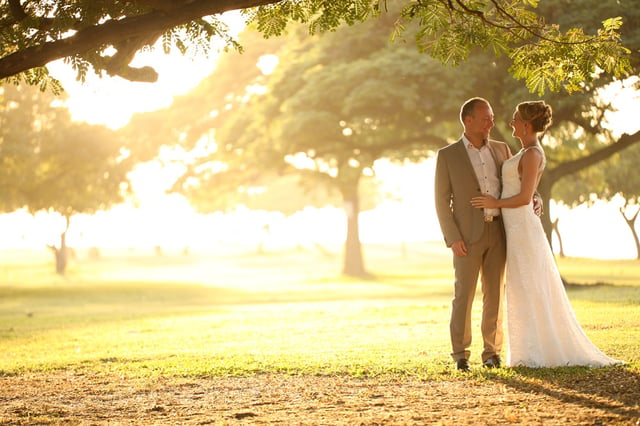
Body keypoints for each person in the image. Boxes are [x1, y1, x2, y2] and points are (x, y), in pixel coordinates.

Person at [470, 100, 623, 367]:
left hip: (523, 228)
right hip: (515, 228)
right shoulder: (525, 151)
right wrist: (532, 197)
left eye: (516, 119)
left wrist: (495, 203)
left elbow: (524, 197)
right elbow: (527, 191)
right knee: (521, 285)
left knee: (530, 285)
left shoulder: (532, 154)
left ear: (527, 125)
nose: (511, 123)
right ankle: (528, 350)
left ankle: (538, 352)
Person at [434, 97, 514, 372]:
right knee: (464, 295)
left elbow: (517, 183)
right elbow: (441, 200)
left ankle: (491, 352)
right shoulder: (448, 155)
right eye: (485, 118)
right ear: (468, 121)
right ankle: (460, 354)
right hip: (466, 237)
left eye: (491, 117)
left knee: (494, 294)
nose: (491, 122)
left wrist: (535, 198)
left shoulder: (502, 149)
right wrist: (452, 237)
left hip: (499, 232)